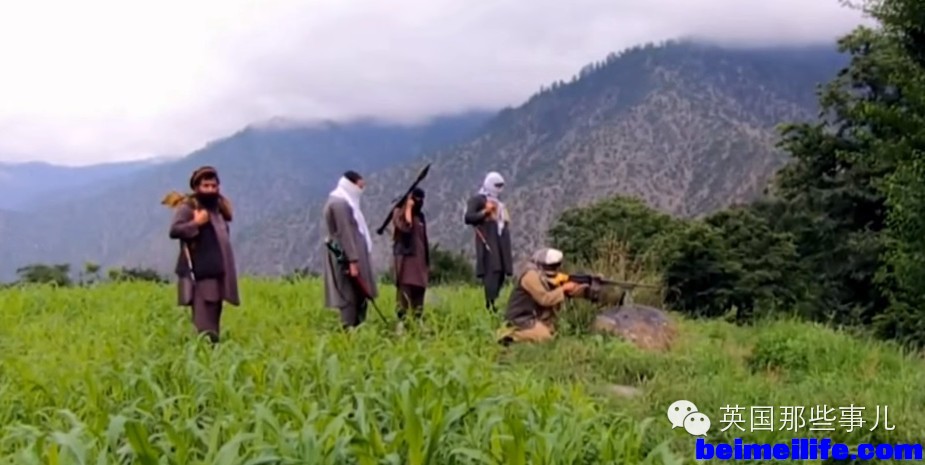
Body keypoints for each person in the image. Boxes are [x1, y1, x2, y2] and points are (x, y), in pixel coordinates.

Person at [168, 166, 240, 343]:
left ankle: (214, 355)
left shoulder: (217, 209)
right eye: (205, 186)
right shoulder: (189, 208)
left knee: (214, 323)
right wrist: (197, 223)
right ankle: (204, 355)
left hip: (217, 275)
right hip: (200, 276)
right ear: (197, 187)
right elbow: (175, 231)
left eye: (213, 186)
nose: (210, 190)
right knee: (204, 328)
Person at [497, 247, 589, 344]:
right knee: (545, 337)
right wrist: (563, 289)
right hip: (521, 317)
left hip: (535, 315)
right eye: (551, 266)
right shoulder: (530, 276)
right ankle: (511, 335)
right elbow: (544, 299)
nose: (554, 269)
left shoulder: (543, 275)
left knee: (553, 331)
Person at [322, 170, 378, 329]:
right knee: (349, 295)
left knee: (360, 294)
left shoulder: (346, 202)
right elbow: (345, 233)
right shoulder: (339, 204)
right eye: (359, 186)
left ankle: (359, 328)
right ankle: (349, 330)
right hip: (346, 259)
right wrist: (353, 260)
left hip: (353, 256)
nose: (361, 190)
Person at [463, 171, 513, 312]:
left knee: (501, 273)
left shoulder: (499, 203)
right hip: (488, 243)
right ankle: (490, 307)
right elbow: (468, 218)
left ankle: (495, 305)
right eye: (496, 185)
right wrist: (485, 212)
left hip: (500, 243)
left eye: (501, 186)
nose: (499, 189)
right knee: (492, 273)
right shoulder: (479, 200)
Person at [391, 187, 429, 321]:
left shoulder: (420, 217)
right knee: (404, 292)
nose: (419, 201)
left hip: (420, 261)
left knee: (419, 292)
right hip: (405, 261)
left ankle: (417, 322)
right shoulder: (398, 213)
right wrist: (408, 208)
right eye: (416, 198)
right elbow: (405, 227)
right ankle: (401, 323)